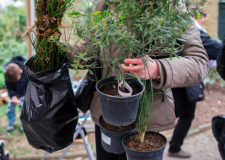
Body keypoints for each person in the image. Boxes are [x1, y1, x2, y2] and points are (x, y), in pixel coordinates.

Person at [66, 0, 210, 159]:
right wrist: (56, 52)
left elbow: (199, 63)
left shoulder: (171, 5)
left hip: (146, 121)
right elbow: (90, 51)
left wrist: (157, 68)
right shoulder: (106, 3)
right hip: (107, 113)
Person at [166, 9, 223, 158]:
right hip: (186, 79)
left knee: (177, 111)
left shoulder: (176, 26)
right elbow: (214, 48)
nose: (202, 20)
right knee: (186, 115)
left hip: (175, 76)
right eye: (202, 17)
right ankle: (174, 147)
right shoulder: (192, 30)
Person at [5, 56, 29, 132]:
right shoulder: (7, 73)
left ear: (21, 71)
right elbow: (9, 87)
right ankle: (11, 123)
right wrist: (13, 96)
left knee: (24, 109)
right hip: (14, 94)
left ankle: (24, 124)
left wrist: (21, 94)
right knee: (10, 108)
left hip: (23, 93)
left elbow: (27, 85)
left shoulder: (26, 71)